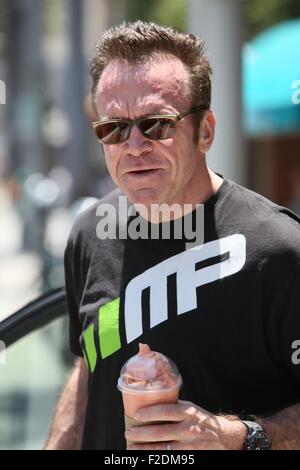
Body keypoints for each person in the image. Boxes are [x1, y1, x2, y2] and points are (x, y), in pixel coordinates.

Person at [45, 21, 300, 450]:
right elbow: (91, 364)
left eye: (157, 124)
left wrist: (237, 435)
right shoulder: (89, 235)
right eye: (114, 128)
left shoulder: (278, 250)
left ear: (205, 131)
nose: (135, 146)